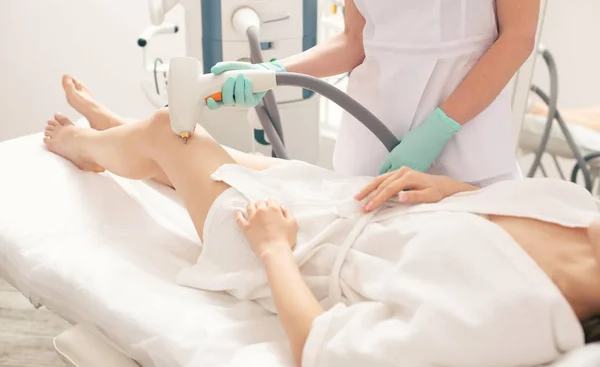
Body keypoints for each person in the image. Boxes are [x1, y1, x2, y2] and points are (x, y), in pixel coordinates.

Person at [44, 74, 600, 366]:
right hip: (355, 205)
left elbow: (325, 351)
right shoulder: (580, 212)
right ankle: (127, 138)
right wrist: (447, 188)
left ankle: (93, 146)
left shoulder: (515, 319)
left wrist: (273, 249)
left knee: (172, 128)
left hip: (297, 243)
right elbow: (488, 215)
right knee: (238, 160)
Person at [205, 0, 544, 187]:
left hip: (470, 147)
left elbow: (517, 38)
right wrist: (272, 73)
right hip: (371, 146)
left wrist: (441, 127)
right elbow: (356, 41)